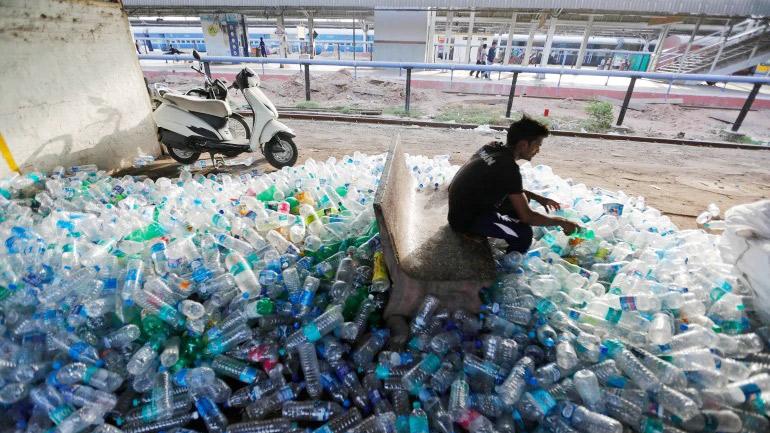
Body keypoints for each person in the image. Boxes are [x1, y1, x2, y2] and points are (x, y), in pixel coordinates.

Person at [448, 116, 580, 254]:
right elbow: (527, 217)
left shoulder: (492, 147)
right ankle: (507, 266)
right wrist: (562, 222)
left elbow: (507, 185)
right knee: (524, 234)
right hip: (465, 220)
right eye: (537, 145)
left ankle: (494, 228)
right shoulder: (508, 167)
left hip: (461, 204)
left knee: (523, 201)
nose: (538, 150)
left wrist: (539, 198)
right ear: (523, 144)